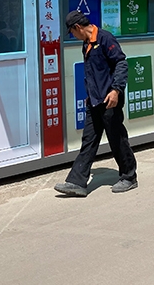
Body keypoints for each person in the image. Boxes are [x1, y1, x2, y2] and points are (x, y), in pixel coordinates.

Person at [54, 10, 138, 197]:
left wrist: (116, 90)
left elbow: (121, 63)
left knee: (116, 138)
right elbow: (93, 73)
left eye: (72, 32)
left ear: (77, 27)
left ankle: (129, 177)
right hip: (94, 100)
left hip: (109, 99)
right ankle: (77, 182)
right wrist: (90, 94)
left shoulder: (105, 38)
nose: (73, 36)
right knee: (89, 140)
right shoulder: (86, 44)